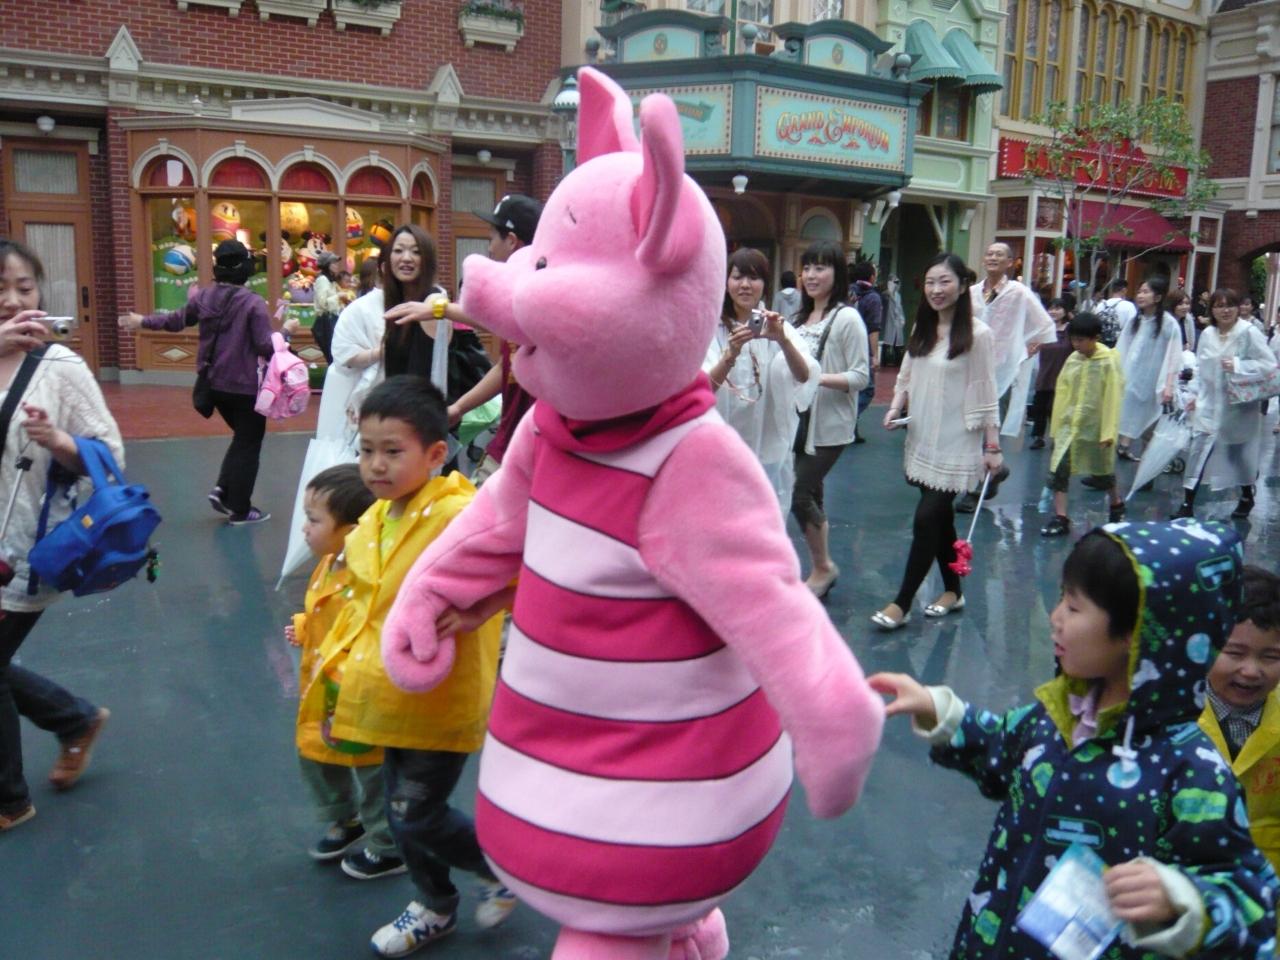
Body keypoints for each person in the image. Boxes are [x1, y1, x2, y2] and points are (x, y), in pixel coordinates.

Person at [870, 521, 1279, 960]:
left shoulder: (1192, 772)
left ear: (1138, 633)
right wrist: (942, 712)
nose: (1055, 617)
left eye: (1073, 606)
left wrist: (1182, 901)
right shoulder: (1058, 716)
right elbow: (1001, 746)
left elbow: (1252, 901)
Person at [322, 376, 513, 955]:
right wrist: (337, 694)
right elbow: (361, 615)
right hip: (387, 695)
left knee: (413, 813)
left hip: (441, 698)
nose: (375, 465)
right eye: (366, 450)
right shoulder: (375, 521)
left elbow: (523, 566)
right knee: (401, 810)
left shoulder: (461, 515)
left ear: (434, 454)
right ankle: (435, 902)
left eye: (392, 451)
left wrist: (483, 609)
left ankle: (490, 873)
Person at [0, 239, 121, 830]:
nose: (12, 300)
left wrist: (61, 442)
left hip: (25, 548)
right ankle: (73, 719)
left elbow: (110, 456)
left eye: (24, 287)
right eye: (0, 289)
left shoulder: (60, 369)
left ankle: (9, 800)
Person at [872, 253, 998, 630]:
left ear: (962, 285)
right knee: (941, 520)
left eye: (944, 281)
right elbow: (907, 374)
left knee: (926, 518)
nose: (936, 289)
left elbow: (986, 390)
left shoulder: (979, 335)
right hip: (923, 435)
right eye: (930, 282)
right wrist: (895, 407)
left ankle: (902, 602)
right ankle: (953, 591)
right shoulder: (923, 328)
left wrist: (992, 447)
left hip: (958, 441)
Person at [120, 239, 274, 524]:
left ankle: (223, 490)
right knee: (249, 442)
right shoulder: (253, 303)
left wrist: (142, 321)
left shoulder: (204, 297)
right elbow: (265, 345)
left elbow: (176, 321)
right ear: (244, 268)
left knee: (243, 438)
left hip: (212, 384)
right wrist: (286, 335)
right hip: (244, 386)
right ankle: (240, 509)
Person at [286, 464, 392, 867]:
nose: (305, 528)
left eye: (314, 520)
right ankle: (344, 817)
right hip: (322, 686)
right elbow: (325, 613)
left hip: (358, 691)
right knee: (315, 753)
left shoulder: (368, 578)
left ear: (351, 532)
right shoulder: (328, 562)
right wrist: (304, 626)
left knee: (372, 766)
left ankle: (386, 843)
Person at [434, 194, 543, 487]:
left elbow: (496, 322)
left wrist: (440, 309)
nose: (490, 249)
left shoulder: (538, 300)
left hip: (535, 453)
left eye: (492, 239)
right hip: (508, 445)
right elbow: (506, 367)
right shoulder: (517, 296)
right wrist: (460, 408)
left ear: (512, 241)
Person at [704, 248, 818, 511]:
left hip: (765, 447)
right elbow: (703, 389)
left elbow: (804, 375)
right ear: (726, 282)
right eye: (737, 277)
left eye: (754, 278)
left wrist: (783, 341)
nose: (745, 285)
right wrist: (730, 355)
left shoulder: (776, 326)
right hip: (718, 446)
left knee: (758, 515)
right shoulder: (711, 327)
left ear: (765, 284)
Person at [789, 240, 869, 598]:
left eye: (820, 268)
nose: (811, 275)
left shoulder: (847, 318)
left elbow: (861, 376)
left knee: (798, 492)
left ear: (837, 274)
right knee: (812, 494)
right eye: (807, 267)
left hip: (829, 426)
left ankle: (823, 567)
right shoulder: (800, 318)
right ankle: (819, 566)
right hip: (798, 423)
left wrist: (816, 378)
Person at [955, 241, 1053, 512]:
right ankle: (993, 472)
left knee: (988, 428)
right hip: (971, 369)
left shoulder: (1018, 293)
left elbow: (1043, 324)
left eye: (999, 254)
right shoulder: (972, 293)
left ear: (1010, 262)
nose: (992, 257)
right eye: (989, 253)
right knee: (969, 427)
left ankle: (975, 490)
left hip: (1002, 371)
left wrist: (1026, 348)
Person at [1200, 565, 1280, 880]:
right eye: (1234, 653)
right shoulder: (1170, 718)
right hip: (1193, 888)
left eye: (1271, 657)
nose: (1250, 671)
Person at [1173, 288, 1278, 520]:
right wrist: (1193, 395)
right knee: (1198, 450)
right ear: (1212, 310)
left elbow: (1269, 364)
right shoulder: (1208, 334)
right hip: (1208, 404)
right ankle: (1187, 504)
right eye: (1219, 306)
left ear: (1238, 308)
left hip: (1237, 406)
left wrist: (1240, 365)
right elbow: (1200, 368)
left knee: (1236, 454)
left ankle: (1246, 494)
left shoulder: (1248, 332)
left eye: (1230, 305)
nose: (1225, 310)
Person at [381, 225, 492, 409]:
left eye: (416, 252)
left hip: (421, 414)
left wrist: (440, 309)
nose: (406, 258)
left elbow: (424, 379)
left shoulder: (432, 301)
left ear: (427, 260)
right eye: (398, 250)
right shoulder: (398, 301)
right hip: (400, 410)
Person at [1040, 311, 1125, 537]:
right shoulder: (1073, 359)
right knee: (1059, 469)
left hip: (1095, 426)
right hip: (1070, 425)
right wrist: (1056, 426)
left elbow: (1113, 397)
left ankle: (1116, 503)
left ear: (1095, 338)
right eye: (1073, 340)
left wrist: (1108, 431)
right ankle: (1061, 517)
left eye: (1080, 340)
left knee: (1102, 471)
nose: (1076, 345)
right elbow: (1063, 391)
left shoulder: (1107, 362)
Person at [1114, 275, 1181, 461]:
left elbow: (1174, 356)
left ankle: (1145, 464)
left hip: (1155, 383)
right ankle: (1125, 445)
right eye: (1139, 292)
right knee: (1129, 414)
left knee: (1151, 423)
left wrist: (1169, 386)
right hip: (1132, 379)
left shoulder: (1168, 324)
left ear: (1158, 297)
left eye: (1145, 292)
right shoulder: (1135, 321)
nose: (1140, 295)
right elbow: (1122, 349)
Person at [1027, 296, 1073, 449]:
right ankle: (1038, 436)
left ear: (1065, 311)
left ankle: (1058, 436)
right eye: (1051, 308)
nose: (1053, 311)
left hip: (1063, 374)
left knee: (1056, 407)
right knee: (1040, 406)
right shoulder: (1044, 329)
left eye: (1057, 308)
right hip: (1045, 373)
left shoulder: (1070, 330)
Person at [848, 261, 882, 443]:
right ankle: (848, 419)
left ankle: (851, 428)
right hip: (862, 348)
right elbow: (873, 328)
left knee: (850, 386)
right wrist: (874, 355)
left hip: (845, 345)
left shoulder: (847, 292)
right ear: (871, 277)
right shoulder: (873, 297)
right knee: (867, 389)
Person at [310, 251, 343, 364]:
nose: (337, 265)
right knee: (333, 355)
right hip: (326, 322)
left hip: (332, 319)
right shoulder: (322, 280)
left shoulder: (331, 280)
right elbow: (323, 303)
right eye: (334, 263)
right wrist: (339, 296)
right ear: (327, 265)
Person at [1095, 276, 1136, 348]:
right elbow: (1132, 329)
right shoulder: (1129, 306)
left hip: (1100, 346)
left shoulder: (1100, 305)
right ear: (1124, 290)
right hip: (1119, 346)